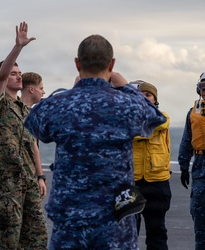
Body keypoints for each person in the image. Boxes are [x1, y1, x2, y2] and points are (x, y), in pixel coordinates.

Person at [24, 34, 167, 250]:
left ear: (77, 64)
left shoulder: (60, 104)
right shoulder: (126, 105)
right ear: (111, 64)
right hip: (115, 218)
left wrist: (71, 91)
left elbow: (34, 122)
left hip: (70, 218)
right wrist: (126, 85)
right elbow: (155, 116)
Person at [0, 21, 48, 250]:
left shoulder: (24, 110)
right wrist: (18, 47)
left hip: (29, 178)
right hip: (7, 180)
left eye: (20, 73)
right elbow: (0, 78)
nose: (18, 77)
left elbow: (33, 145)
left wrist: (40, 177)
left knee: (38, 236)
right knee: (9, 239)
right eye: (14, 73)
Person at [131, 81, 172, 249]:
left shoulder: (163, 117)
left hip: (157, 181)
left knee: (157, 230)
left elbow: (156, 124)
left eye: (147, 95)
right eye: (139, 95)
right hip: (131, 181)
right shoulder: (124, 119)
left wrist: (136, 130)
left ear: (155, 99)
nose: (144, 98)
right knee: (128, 231)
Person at [178, 72, 205, 250]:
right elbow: (186, 140)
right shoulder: (193, 112)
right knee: (199, 215)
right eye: (203, 88)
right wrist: (183, 166)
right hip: (200, 166)